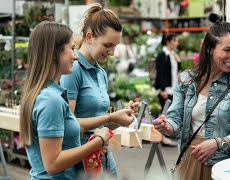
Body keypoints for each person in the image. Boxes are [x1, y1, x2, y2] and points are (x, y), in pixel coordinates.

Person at [153, 13, 230, 180]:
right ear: (209, 50)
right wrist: (167, 126)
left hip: (224, 166)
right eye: (227, 50)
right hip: (189, 159)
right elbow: (175, 119)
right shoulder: (186, 80)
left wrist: (219, 143)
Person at [19, 21, 111, 179]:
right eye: (72, 48)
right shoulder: (50, 100)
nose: (75, 56)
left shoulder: (48, 94)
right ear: (54, 52)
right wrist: (98, 142)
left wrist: (91, 146)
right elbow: (53, 164)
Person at [60, 4, 138, 177]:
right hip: (81, 156)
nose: (112, 52)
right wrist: (111, 117)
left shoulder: (100, 73)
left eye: (116, 46)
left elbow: (99, 122)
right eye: (108, 45)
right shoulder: (73, 71)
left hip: (101, 153)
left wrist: (120, 117)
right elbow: (68, 124)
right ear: (89, 37)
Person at [154, 33, 181, 146]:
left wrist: (178, 61)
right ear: (169, 42)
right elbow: (160, 72)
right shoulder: (162, 54)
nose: (177, 43)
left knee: (169, 113)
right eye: (175, 41)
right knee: (164, 113)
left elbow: (176, 70)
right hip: (165, 89)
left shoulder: (173, 54)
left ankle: (163, 137)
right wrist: (163, 89)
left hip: (172, 88)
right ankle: (161, 138)